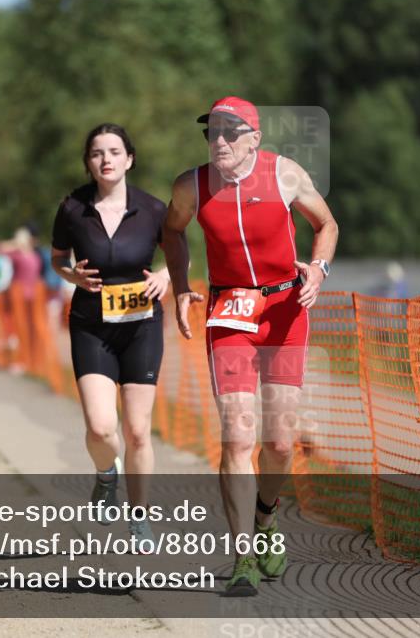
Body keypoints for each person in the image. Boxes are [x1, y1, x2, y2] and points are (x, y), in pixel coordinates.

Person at [161, 97, 339, 596]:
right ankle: (242, 556)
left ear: (254, 138)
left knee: (280, 442)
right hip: (230, 316)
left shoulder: (285, 174)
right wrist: (180, 287)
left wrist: (320, 271)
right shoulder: (189, 185)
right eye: (212, 131)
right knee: (238, 438)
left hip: (284, 311)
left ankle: (265, 517)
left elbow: (327, 225)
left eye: (230, 131)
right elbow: (171, 232)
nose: (219, 140)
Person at [50, 123, 171, 551]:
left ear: (129, 158)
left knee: (138, 431)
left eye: (115, 151)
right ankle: (106, 476)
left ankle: (139, 519)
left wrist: (166, 275)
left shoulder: (155, 209)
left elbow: (180, 255)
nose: (106, 159)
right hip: (91, 327)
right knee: (102, 429)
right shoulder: (71, 209)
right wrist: (72, 276)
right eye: (98, 153)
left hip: (142, 327)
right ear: (88, 162)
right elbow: (58, 259)